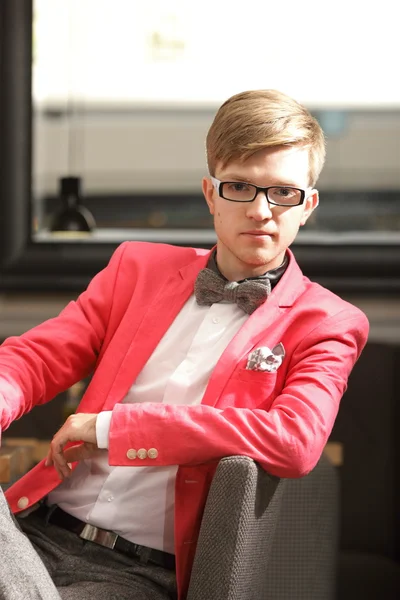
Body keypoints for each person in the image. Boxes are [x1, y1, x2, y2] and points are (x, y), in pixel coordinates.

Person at [0, 89, 369, 600]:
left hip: (136, 575)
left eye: (283, 192)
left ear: (307, 205)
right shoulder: (136, 268)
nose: (262, 210)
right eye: (241, 187)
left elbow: (294, 440)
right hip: (31, 530)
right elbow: (38, 357)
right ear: (210, 194)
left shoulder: (327, 322)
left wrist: (114, 429)